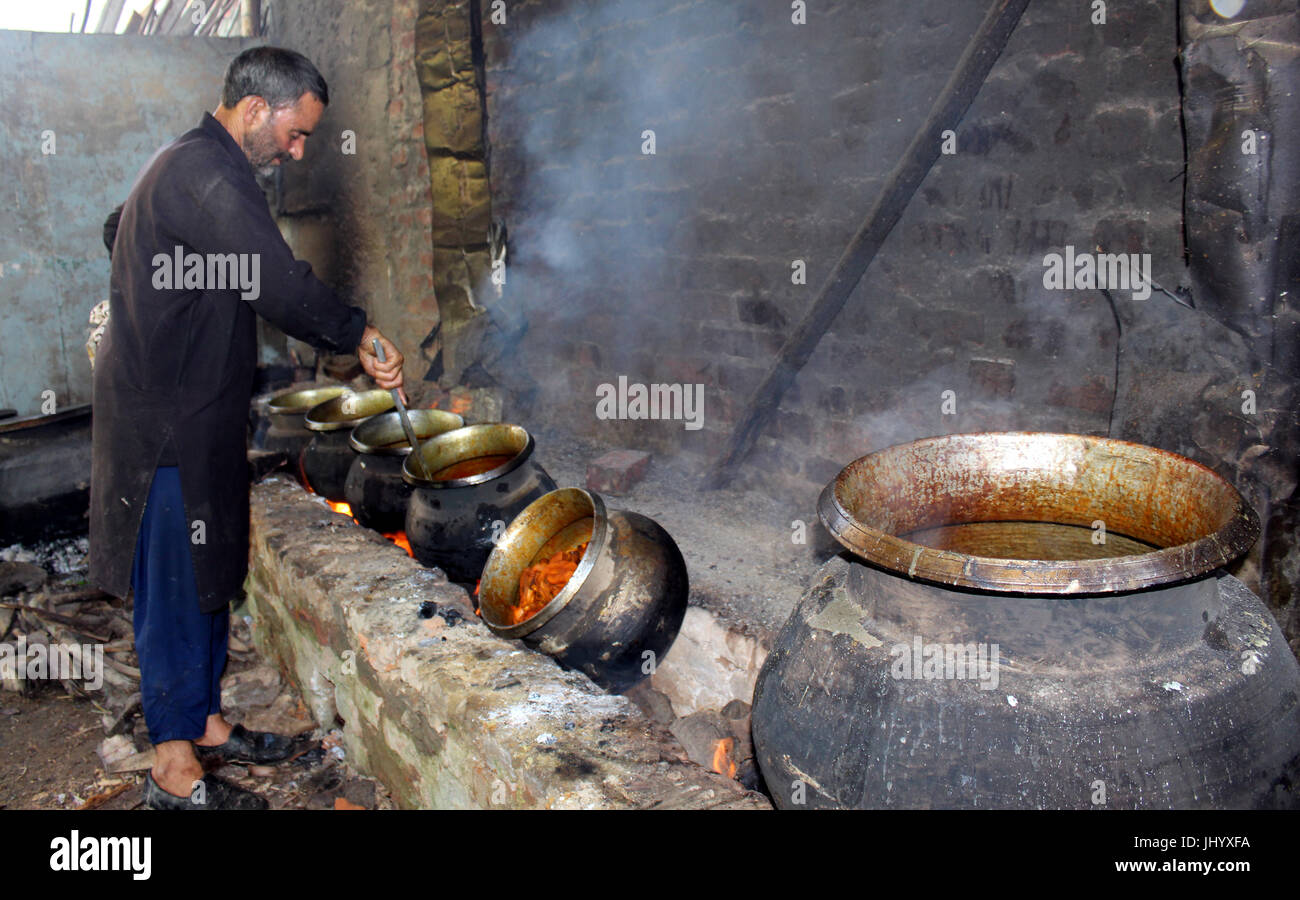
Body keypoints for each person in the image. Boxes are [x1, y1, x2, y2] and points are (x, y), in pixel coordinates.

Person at [90, 46, 406, 810]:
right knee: (172, 585)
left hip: (201, 415)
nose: (297, 151)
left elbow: (119, 226)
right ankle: (173, 775)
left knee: (209, 574)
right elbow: (274, 279)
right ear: (257, 109)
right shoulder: (205, 171)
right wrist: (356, 334)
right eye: (296, 133)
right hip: (164, 425)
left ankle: (206, 726)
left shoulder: (194, 167)